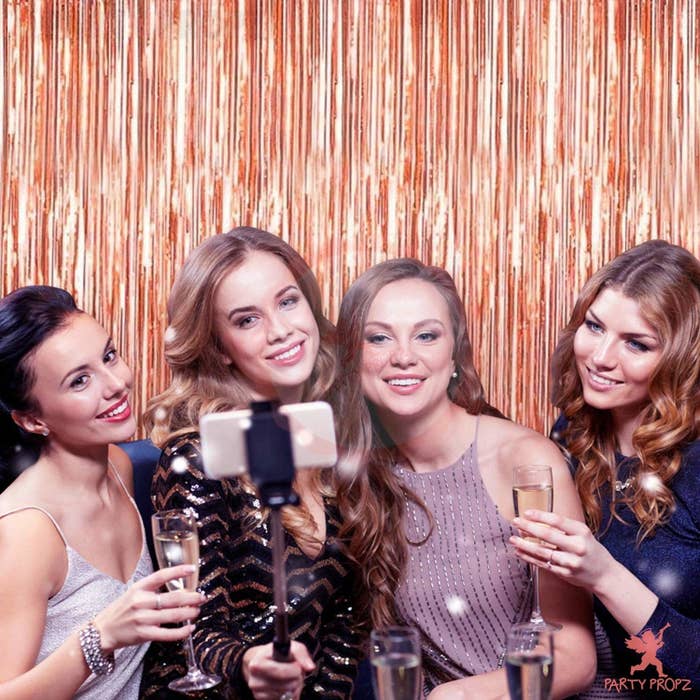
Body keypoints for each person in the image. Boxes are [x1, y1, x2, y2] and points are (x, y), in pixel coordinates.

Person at [331, 258, 596, 699]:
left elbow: (574, 656)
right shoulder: (355, 477)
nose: (403, 356)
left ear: (455, 353)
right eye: (379, 337)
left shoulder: (525, 464)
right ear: (353, 357)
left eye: (426, 335)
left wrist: (453, 695)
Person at [140, 227, 364, 699]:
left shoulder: (332, 438)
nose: (281, 330)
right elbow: (190, 630)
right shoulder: (197, 459)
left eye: (288, 302)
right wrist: (249, 665)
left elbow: (344, 625)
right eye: (246, 320)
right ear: (219, 347)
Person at [511, 240, 700, 693]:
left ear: (682, 357)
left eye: (636, 343)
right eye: (594, 327)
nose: (600, 357)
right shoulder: (572, 433)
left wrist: (604, 575)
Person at [0, 286, 203, 700]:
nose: (116, 385)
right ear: (32, 419)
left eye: (108, 356)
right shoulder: (27, 530)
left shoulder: (118, 465)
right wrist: (100, 636)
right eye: (80, 381)